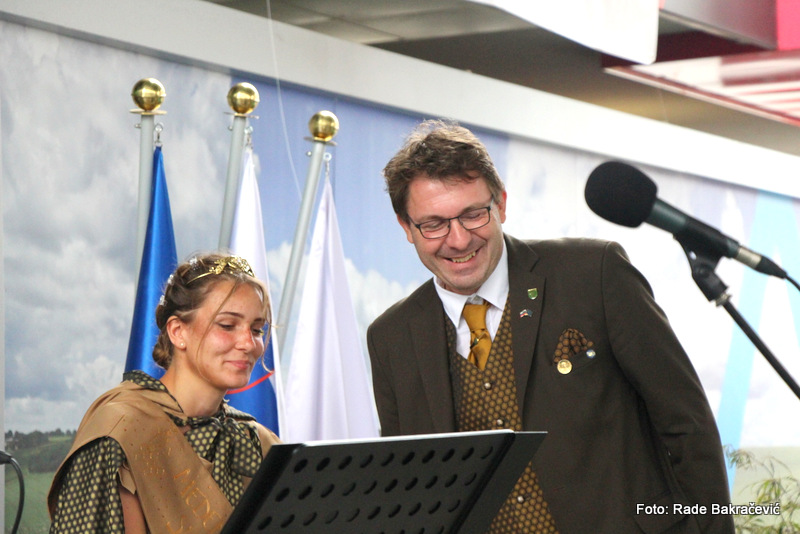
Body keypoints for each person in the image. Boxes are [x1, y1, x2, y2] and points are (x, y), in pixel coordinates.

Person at [367, 120, 734, 533]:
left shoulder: (595, 274)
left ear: (501, 204)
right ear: (406, 228)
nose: (458, 240)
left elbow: (686, 424)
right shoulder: (390, 338)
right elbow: (409, 490)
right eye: (434, 224)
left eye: (473, 215)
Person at [48, 253, 280, 533]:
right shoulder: (120, 432)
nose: (249, 344)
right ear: (178, 331)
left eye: (257, 329)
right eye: (227, 325)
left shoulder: (257, 442)